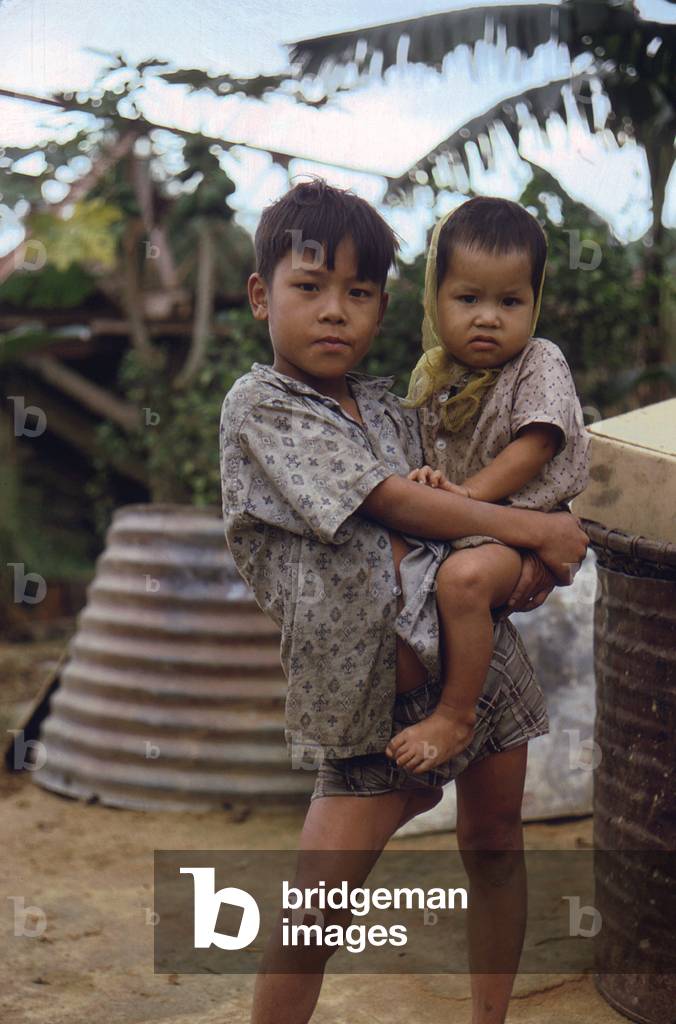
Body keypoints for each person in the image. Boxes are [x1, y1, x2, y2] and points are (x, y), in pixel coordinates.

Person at [218, 179, 589, 1024]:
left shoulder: (399, 406)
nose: (334, 312)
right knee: (316, 912)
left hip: (475, 667)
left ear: (386, 306)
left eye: (358, 293)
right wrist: (537, 533)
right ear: (259, 296)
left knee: (493, 845)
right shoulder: (264, 407)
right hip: (367, 703)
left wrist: (528, 548)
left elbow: (466, 520)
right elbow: (400, 506)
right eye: (308, 288)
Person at [387, 197, 592, 774]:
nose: (488, 317)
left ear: (534, 302)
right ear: (436, 298)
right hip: (470, 524)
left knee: (465, 581)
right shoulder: (433, 378)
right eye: (468, 298)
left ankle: (456, 714)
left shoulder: (538, 361)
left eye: (510, 301)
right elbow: (431, 467)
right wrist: (431, 479)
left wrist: (467, 494)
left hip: (523, 530)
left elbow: (535, 445)